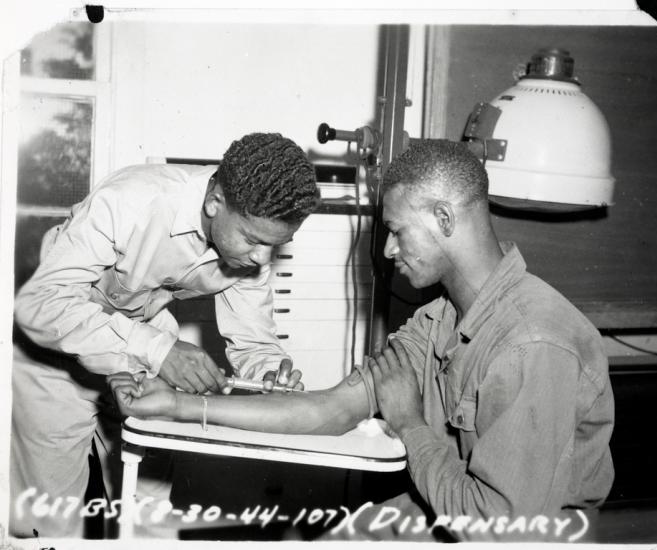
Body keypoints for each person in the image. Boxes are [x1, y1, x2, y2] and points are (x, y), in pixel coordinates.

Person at [109, 140, 614, 542]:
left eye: (395, 230)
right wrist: (177, 405)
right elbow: (330, 409)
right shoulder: (438, 320)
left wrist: (410, 424)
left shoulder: (533, 344)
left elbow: (505, 532)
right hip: (444, 508)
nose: (389, 250)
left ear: (443, 219)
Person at [11, 132, 321, 538]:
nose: (263, 259)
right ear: (215, 202)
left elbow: (253, 340)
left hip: (141, 345)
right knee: (46, 525)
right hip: (54, 352)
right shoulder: (132, 200)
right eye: (253, 240)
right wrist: (159, 351)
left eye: (277, 245)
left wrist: (268, 373)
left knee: (149, 519)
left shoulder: (251, 245)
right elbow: (40, 305)